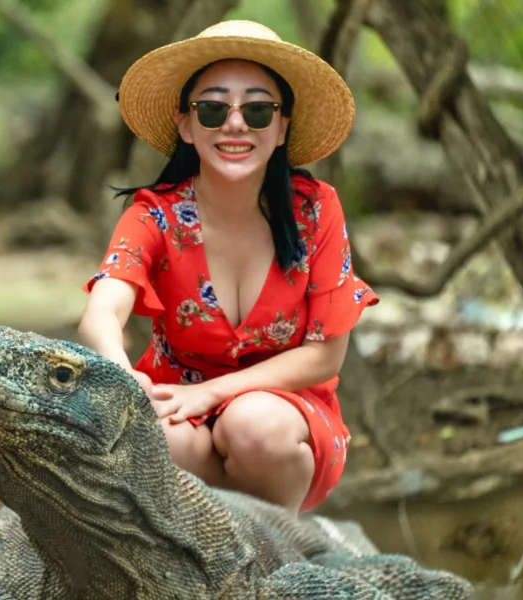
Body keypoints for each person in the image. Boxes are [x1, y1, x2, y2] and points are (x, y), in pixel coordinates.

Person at [77, 20, 378, 514]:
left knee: (253, 425)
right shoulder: (155, 216)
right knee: (153, 440)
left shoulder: (317, 211)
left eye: (258, 110)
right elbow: (101, 313)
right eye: (213, 109)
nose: (235, 124)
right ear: (186, 125)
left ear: (282, 127)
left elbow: (325, 356)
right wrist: (123, 375)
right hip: (177, 413)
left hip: (285, 423)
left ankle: (270, 565)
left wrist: (214, 394)